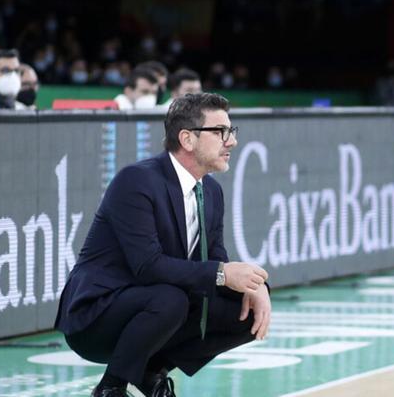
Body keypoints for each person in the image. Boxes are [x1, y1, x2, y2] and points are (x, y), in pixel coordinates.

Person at [55, 93, 272, 397]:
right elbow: (147, 266)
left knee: (245, 309)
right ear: (187, 139)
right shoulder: (137, 181)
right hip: (97, 316)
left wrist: (253, 286)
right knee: (171, 299)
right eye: (221, 131)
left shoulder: (211, 191)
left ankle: (151, 370)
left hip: (157, 305)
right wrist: (223, 274)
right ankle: (110, 388)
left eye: (231, 131)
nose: (231, 141)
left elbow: (215, 258)